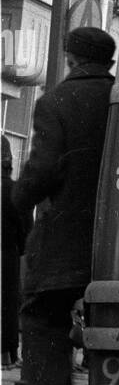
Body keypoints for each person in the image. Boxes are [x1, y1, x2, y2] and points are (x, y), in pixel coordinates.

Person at [13, 26, 116, 385]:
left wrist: (16, 202)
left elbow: (41, 171)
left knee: (40, 316)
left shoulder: (56, 102)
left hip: (68, 240)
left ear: (70, 57)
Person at [1, 134, 28, 368]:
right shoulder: (15, 190)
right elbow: (25, 231)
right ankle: (8, 355)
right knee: (8, 305)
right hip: (8, 256)